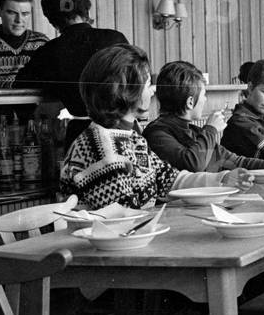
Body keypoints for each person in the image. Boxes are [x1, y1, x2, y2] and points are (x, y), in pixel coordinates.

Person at [60, 45, 253, 210]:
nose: (153, 91)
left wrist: (222, 179)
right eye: (148, 84)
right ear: (127, 91)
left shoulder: (131, 137)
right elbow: (125, 215)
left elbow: (168, 179)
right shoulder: (101, 147)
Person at [14, 0, 128, 147]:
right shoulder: (114, 38)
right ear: (86, 11)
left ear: (52, 20)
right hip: (121, 131)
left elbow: (19, 87)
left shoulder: (48, 51)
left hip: (80, 135)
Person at [143, 61, 264, 172]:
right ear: (190, 102)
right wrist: (210, 129)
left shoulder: (195, 131)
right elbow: (193, 165)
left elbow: (237, 162)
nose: (205, 100)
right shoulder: (156, 134)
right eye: (204, 94)